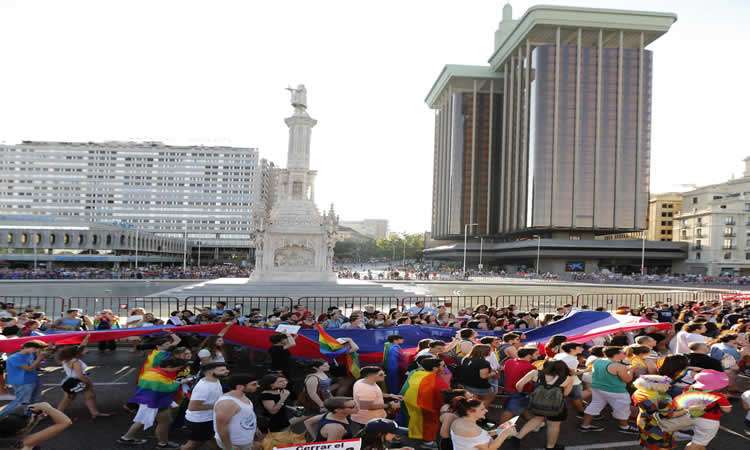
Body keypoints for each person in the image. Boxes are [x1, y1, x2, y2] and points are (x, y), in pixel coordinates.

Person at [118, 358, 189, 448]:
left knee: (142, 420)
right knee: (165, 423)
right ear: (169, 366)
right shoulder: (157, 377)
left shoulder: (153, 371)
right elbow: (169, 388)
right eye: (177, 368)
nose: (178, 370)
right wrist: (181, 382)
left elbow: (163, 386)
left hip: (147, 401)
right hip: (156, 402)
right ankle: (163, 444)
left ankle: (126, 438)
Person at [510, 360, 573, 450]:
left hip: (537, 403)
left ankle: (517, 437)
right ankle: (550, 447)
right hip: (556, 406)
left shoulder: (535, 373)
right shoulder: (567, 379)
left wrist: (523, 393)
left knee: (537, 419)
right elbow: (565, 394)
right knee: (553, 425)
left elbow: (519, 385)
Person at [579, 346, 638, 434]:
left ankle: (585, 425)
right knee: (622, 408)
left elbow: (608, 371)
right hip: (615, 390)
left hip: (598, 388)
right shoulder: (619, 366)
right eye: (623, 353)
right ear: (616, 354)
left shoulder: (597, 361)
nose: (625, 354)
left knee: (594, 405)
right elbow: (627, 379)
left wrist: (625, 369)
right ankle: (624, 426)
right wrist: (632, 370)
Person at [56, 335, 111, 419]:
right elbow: (79, 376)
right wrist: (88, 383)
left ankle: (95, 413)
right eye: (85, 350)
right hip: (78, 381)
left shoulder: (68, 359)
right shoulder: (76, 362)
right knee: (68, 399)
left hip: (72, 380)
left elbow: (82, 346)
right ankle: (57, 415)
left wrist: (87, 337)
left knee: (89, 396)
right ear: (77, 353)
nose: (86, 350)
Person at [0, 340, 54, 420]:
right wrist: (39, 358)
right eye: (35, 348)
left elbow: (43, 357)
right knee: (20, 402)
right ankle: (1, 416)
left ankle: (28, 416)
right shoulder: (15, 358)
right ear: (25, 347)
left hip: (33, 379)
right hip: (22, 382)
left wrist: (48, 349)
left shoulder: (30, 354)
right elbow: (29, 368)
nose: (36, 350)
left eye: (38, 349)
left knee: (34, 400)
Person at [631, 374, 689, 450]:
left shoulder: (639, 392)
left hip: (643, 421)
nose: (669, 386)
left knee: (648, 443)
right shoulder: (662, 398)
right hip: (658, 425)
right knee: (662, 446)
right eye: (667, 384)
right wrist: (688, 410)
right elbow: (669, 414)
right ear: (657, 385)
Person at [181, 362, 229, 450]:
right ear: (209, 373)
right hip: (199, 422)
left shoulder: (216, 379)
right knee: (193, 444)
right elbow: (192, 407)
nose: (227, 371)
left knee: (211, 438)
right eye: (222, 370)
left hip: (208, 419)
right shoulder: (204, 387)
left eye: (225, 369)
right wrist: (217, 406)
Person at [448, 396, 517, 450]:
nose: (486, 410)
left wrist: (498, 431)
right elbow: (489, 448)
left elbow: (475, 438)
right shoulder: (472, 429)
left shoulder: (458, 421)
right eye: (482, 409)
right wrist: (504, 434)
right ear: (469, 411)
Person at [213, 374, 260, 450]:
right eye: (254, 384)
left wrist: (255, 429)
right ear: (240, 387)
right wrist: (229, 447)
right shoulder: (227, 403)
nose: (258, 386)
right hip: (235, 443)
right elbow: (221, 428)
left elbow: (247, 414)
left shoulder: (243, 396)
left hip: (245, 439)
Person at [0, 402, 72, 450]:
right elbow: (65, 422)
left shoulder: (6, 442)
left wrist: (36, 420)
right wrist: (47, 407)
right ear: (20, 430)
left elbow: (22, 432)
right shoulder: (23, 444)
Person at [351, 367, 402, 434]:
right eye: (381, 374)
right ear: (370, 376)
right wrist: (390, 405)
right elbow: (366, 406)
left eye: (384, 373)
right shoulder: (365, 388)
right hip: (367, 422)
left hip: (369, 420)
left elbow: (375, 393)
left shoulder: (366, 381)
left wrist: (391, 395)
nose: (384, 375)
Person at [499, 346, 538, 424]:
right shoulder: (531, 367)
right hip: (521, 392)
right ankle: (499, 431)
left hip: (509, 389)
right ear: (529, 355)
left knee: (522, 407)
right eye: (536, 354)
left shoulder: (509, 361)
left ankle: (534, 425)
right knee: (510, 412)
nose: (538, 355)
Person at [552, 342, 586, 417]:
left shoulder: (559, 355)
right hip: (572, 382)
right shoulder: (573, 359)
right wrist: (585, 371)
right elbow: (572, 373)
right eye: (579, 347)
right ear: (572, 349)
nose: (582, 349)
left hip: (559, 380)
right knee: (576, 398)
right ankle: (582, 413)